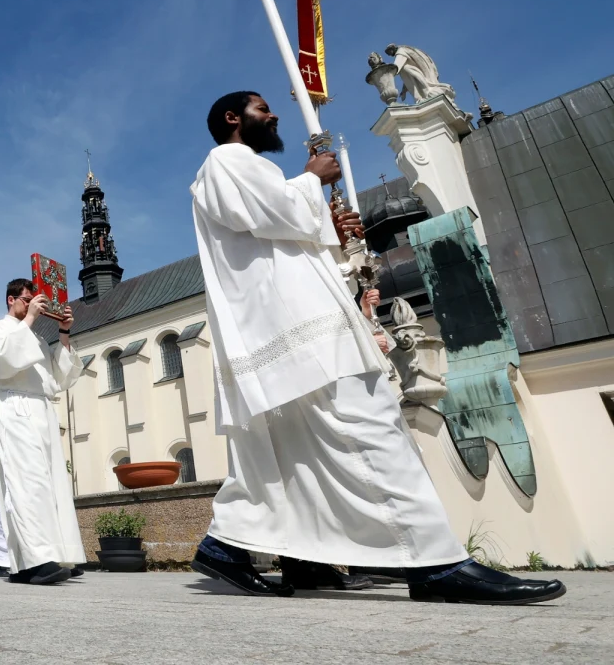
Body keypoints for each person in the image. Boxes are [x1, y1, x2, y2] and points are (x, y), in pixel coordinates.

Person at [187, 90, 565, 605]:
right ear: (233, 118)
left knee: (301, 451)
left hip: (291, 324)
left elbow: (278, 233)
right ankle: (435, 564)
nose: (273, 113)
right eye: (262, 107)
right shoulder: (227, 160)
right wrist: (312, 179)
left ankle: (283, 556)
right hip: (302, 327)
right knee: (374, 429)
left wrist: (328, 230)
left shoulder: (242, 168)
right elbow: (273, 212)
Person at [0, 278, 84, 586]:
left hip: (42, 413)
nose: (32, 305)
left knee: (50, 485)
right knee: (26, 484)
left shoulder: (36, 338)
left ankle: (57, 553)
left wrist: (63, 332)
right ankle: (31, 561)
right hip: (15, 409)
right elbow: (1, 362)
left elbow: (58, 378)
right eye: (27, 300)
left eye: (33, 300)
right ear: (11, 299)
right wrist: (28, 319)